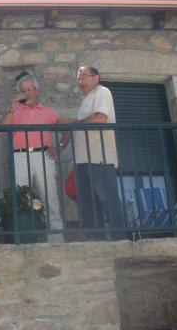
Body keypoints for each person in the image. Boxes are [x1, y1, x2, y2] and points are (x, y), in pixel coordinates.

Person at [0, 73, 67, 243]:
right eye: (23, 90)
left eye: (30, 89)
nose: (27, 93)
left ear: (37, 90)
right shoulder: (15, 111)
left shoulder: (48, 112)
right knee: (20, 199)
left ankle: (56, 241)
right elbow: (0, 131)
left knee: (50, 198)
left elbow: (67, 130)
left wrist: (59, 147)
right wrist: (11, 110)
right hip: (20, 156)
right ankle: (23, 239)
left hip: (43, 155)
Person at [64, 66, 125, 240]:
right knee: (88, 204)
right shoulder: (87, 99)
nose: (80, 81)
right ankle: (97, 242)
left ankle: (120, 239)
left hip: (100, 158)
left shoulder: (102, 92)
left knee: (107, 199)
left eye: (84, 76)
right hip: (83, 160)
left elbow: (100, 118)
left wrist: (72, 123)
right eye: (78, 78)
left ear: (96, 78)